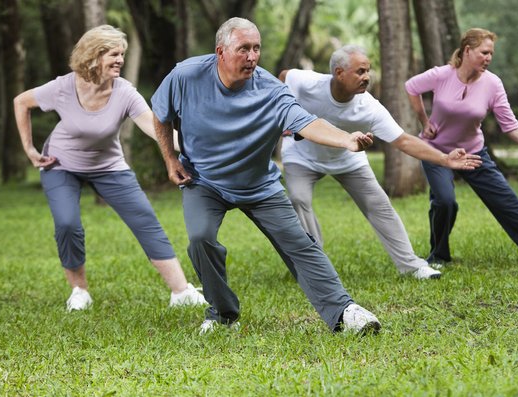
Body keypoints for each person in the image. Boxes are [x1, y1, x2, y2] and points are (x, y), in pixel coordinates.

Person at [151, 17, 381, 334]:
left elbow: (306, 122)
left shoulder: (271, 90)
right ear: (220, 51)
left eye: (257, 48)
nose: (252, 56)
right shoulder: (186, 76)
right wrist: (169, 159)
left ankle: (344, 312)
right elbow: (160, 115)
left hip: (258, 185)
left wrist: (346, 139)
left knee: (300, 244)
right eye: (243, 48)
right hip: (203, 180)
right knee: (200, 238)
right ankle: (222, 315)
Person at [13, 25, 207, 311]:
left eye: (122, 55)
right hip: (61, 164)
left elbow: (156, 129)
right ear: (93, 55)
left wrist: (200, 146)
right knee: (67, 224)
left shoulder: (125, 93)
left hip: (108, 165)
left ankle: (181, 291)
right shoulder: (63, 87)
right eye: (113, 54)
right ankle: (79, 290)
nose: (120, 60)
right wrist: (29, 149)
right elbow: (21, 102)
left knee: (145, 221)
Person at [278, 45, 482, 280]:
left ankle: (412, 265)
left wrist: (444, 159)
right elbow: (284, 76)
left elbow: (404, 141)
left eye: (368, 71)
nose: (367, 77)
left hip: (348, 158)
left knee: (380, 206)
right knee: (299, 199)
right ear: (339, 72)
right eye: (360, 71)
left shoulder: (369, 107)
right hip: (302, 155)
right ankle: (314, 267)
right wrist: (286, 114)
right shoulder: (309, 82)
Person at [404, 28, 518, 265]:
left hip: (473, 153)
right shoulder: (442, 75)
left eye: (491, 53)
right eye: (484, 52)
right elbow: (411, 87)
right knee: (444, 201)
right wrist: (424, 120)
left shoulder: (492, 84)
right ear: (467, 50)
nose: (489, 58)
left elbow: (510, 125)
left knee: (507, 202)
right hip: (437, 151)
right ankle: (439, 256)